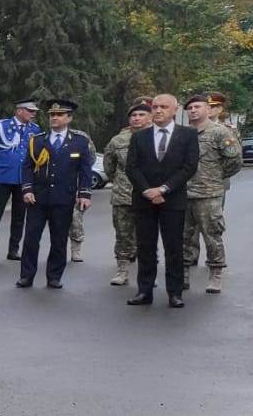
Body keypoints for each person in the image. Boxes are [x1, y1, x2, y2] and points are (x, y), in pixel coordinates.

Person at [126, 94, 200, 307]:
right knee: (145, 246)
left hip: (173, 199)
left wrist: (164, 189)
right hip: (144, 199)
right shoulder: (139, 137)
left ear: (174, 110)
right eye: (155, 106)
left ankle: (174, 293)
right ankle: (144, 291)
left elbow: (189, 166)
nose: (158, 110)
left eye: (163, 107)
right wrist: (147, 190)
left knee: (174, 247)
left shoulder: (187, 135)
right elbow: (132, 167)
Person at [16, 99, 93, 289]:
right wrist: (27, 189)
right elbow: (27, 167)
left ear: (69, 118)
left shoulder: (79, 142)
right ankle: (26, 275)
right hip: (38, 198)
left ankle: (54, 276)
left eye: (59, 115)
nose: (54, 118)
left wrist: (84, 194)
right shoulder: (38, 140)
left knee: (59, 240)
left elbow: (85, 171)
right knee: (31, 239)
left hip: (63, 198)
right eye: (52, 115)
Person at [182, 92, 242, 294]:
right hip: (183, 193)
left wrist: (215, 176)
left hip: (209, 193)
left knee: (212, 235)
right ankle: (182, 274)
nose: (193, 110)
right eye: (189, 108)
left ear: (208, 109)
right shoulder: (182, 133)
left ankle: (215, 274)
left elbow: (234, 161)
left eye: (197, 107)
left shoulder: (220, 132)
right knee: (183, 236)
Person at [0, 100, 38, 260]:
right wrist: (0, 165)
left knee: (19, 216)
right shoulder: (2, 127)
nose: (33, 114)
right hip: (3, 177)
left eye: (34, 112)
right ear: (19, 111)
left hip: (23, 179)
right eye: (30, 111)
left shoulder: (34, 129)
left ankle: (13, 250)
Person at [102, 101, 150, 287]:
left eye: (141, 115)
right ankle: (122, 270)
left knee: (147, 236)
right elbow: (109, 166)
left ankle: (147, 273)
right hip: (123, 195)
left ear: (150, 117)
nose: (136, 118)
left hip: (149, 195)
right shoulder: (118, 140)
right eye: (133, 115)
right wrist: (121, 181)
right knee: (123, 234)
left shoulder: (156, 137)